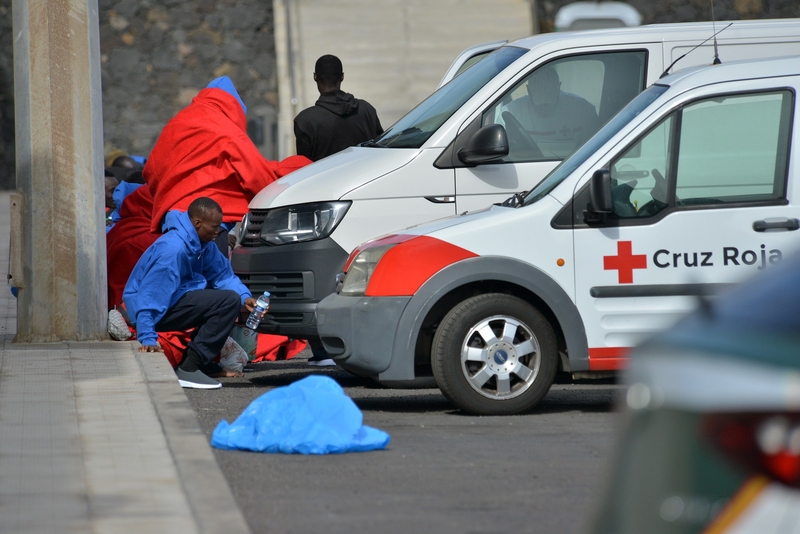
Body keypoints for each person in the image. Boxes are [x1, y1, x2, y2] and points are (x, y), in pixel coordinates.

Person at [145, 76, 310, 254]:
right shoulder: (226, 129)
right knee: (215, 279)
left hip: (173, 221)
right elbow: (257, 175)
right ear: (234, 108)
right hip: (209, 225)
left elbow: (152, 170)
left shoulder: (177, 124)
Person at [123, 197, 257, 389]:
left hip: (170, 301)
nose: (218, 232)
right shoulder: (174, 250)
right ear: (197, 223)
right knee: (226, 301)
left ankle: (203, 365)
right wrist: (147, 337)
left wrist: (245, 297)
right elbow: (151, 296)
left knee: (228, 296)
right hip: (147, 312)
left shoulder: (203, 244)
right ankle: (189, 368)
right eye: (215, 227)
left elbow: (222, 276)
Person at [293, 54, 383, 162]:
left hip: (328, 179)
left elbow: (303, 167)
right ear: (342, 77)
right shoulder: (367, 110)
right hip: (367, 178)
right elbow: (381, 151)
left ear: (315, 77)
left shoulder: (305, 121)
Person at [502, 65, 600, 159]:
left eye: (549, 103)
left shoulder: (583, 111)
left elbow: (596, 148)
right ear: (528, 90)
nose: (544, 109)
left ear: (559, 87)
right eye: (539, 103)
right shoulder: (512, 112)